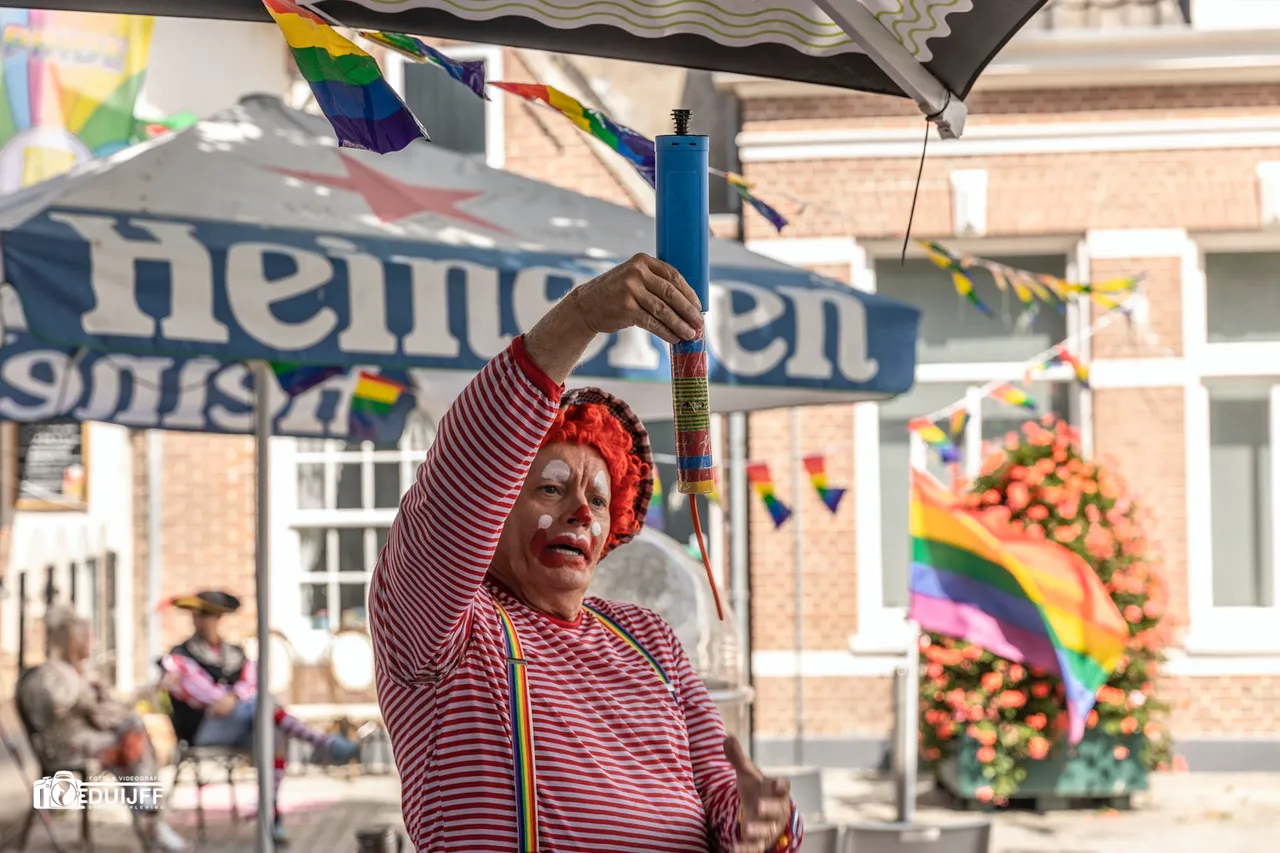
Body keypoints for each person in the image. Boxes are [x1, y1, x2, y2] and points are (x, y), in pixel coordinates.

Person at [370, 254, 804, 853]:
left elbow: (725, 799)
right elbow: (460, 479)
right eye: (551, 488)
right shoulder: (445, 630)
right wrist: (579, 318)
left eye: (599, 500)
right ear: (495, 506)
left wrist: (764, 820)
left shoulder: (651, 641)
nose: (580, 511)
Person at [158, 590, 360, 846]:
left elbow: (252, 683)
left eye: (208, 614)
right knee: (265, 705)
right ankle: (322, 743)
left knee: (274, 733)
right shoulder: (180, 656)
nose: (201, 620)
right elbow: (204, 694)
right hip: (203, 730)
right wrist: (236, 696)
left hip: (242, 723)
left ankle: (272, 816)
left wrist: (233, 698)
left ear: (218, 617)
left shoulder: (235, 653)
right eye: (198, 614)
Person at [19, 606, 188, 851]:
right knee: (133, 740)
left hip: (97, 742)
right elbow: (55, 704)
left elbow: (116, 704)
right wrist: (81, 686)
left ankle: (149, 814)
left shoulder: (85, 672)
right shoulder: (51, 674)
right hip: (66, 748)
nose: (92, 642)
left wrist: (154, 688)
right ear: (73, 641)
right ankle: (149, 816)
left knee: (133, 733)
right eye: (87, 637)